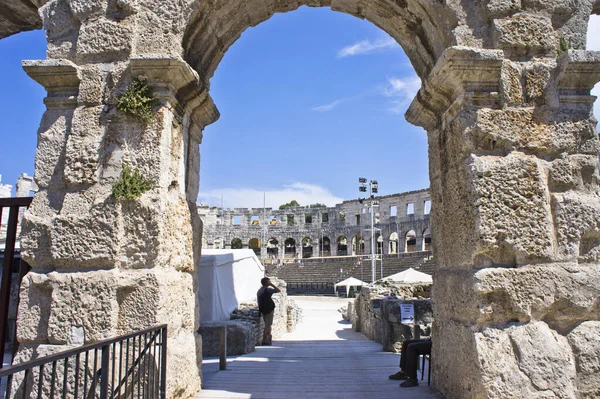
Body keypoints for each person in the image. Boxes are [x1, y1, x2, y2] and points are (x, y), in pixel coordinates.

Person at [257, 277, 280, 345]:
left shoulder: (259, 290)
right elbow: (278, 290)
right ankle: (264, 340)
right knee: (267, 325)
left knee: (269, 325)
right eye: (269, 282)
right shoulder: (268, 290)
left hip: (262, 309)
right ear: (267, 283)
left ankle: (268, 339)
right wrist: (272, 284)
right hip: (268, 309)